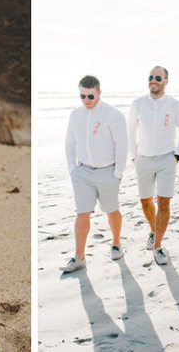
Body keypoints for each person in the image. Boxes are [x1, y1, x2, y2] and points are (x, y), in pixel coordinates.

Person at [60, 75, 128, 273]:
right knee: (82, 214)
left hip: (108, 172)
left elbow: (121, 145)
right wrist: (72, 169)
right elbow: (70, 142)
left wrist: (118, 172)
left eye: (90, 96)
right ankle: (79, 257)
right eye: (82, 96)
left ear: (99, 92)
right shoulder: (75, 115)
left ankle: (116, 243)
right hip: (82, 172)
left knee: (111, 210)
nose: (86, 100)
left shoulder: (113, 114)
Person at [128, 66, 179, 265]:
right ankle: (153, 230)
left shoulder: (175, 105)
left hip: (166, 160)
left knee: (163, 203)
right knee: (145, 202)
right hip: (143, 160)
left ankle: (158, 246)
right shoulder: (137, 104)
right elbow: (131, 131)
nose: (153, 80)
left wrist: (177, 155)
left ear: (166, 81)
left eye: (158, 78)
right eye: (151, 77)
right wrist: (134, 156)